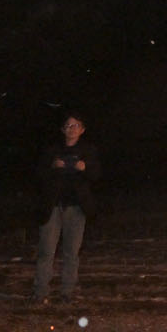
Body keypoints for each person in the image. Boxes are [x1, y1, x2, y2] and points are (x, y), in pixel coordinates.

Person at [32, 113, 98, 303]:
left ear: (82, 129)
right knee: (46, 251)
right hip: (52, 206)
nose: (71, 129)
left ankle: (67, 292)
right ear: (63, 129)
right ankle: (41, 292)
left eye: (75, 125)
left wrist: (84, 167)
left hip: (76, 207)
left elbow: (96, 175)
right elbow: (38, 174)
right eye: (68, 125)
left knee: (71, 252)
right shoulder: (52, 150)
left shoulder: (88, 150)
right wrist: (53, 166)